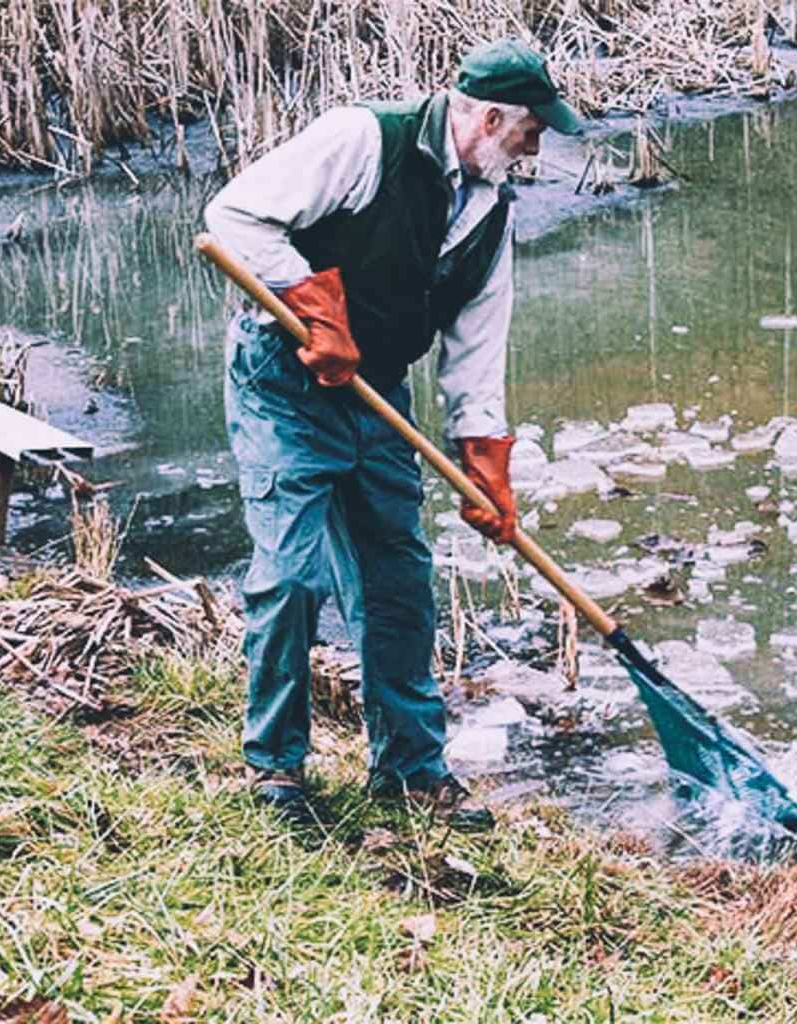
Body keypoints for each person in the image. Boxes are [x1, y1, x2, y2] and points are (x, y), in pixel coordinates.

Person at [203, 39, 585, 830]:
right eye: (530, 133)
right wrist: (316, 305)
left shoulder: (490, 210)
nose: (535, 148)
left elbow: (477, 353)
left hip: (379, 393)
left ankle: (410, 770)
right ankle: (277, 771)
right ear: (488, 118)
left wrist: (488, 467)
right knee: (293, 574)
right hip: (285, 380)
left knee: (399, 583)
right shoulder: (362, 138)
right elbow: (234, 216)